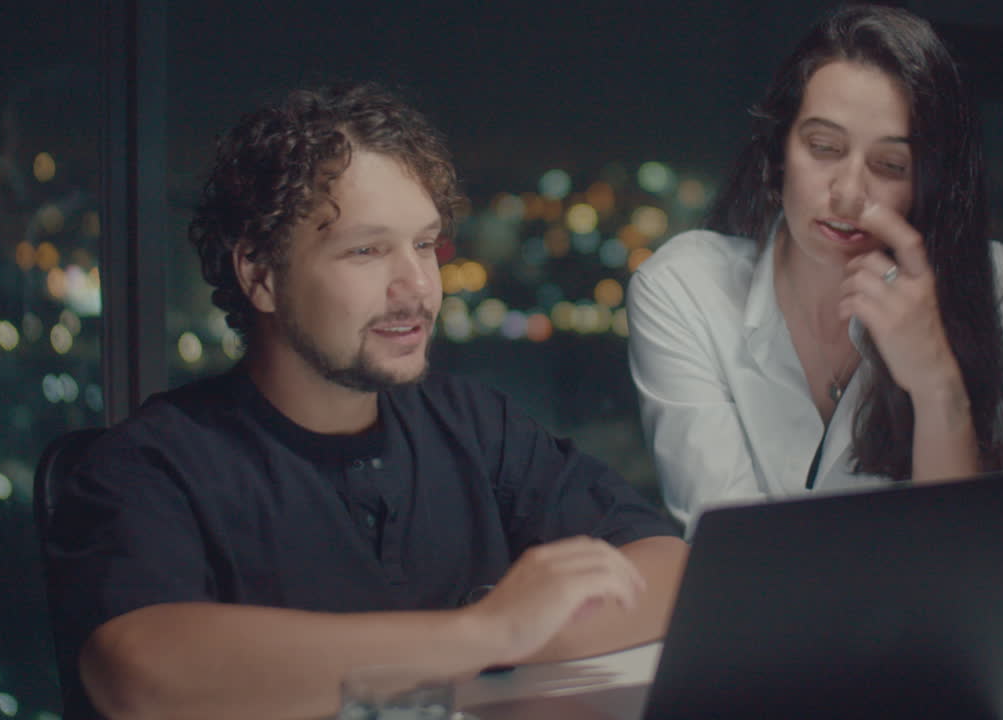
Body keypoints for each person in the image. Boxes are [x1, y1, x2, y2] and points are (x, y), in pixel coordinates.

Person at [44, 83, 688, 720]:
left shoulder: (473, 424)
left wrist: (508, 637)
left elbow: (667, 567)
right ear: (260, 276)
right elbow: (141, 672)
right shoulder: (152, 463)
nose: (416, 287)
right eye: (366, 251)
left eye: (425, 245)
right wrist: (485, 634)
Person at [627, 5, 1003, 530]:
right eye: (823, 148)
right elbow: (732, 553)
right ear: (779, 155)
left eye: (890, 166)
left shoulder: (997, 288)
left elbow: (973, 559)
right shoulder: (687, 289)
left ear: (929, 184)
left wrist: (937, 383)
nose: (848, 195)